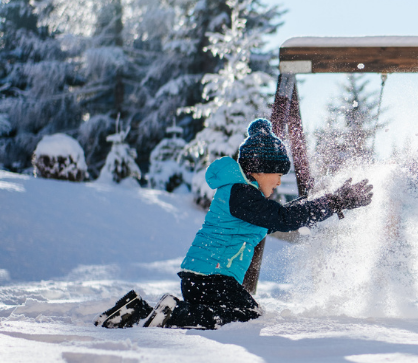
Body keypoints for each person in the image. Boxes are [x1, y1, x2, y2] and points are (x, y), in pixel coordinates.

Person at [95, 118, 373, 329]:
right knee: (247, 318)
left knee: (235, 316)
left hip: (203, 277)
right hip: (213, 279)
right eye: (276, 173)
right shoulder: (242, 195)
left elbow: (281, 215)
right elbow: (284, 218)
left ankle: (140, 309)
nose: (278, 181)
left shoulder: (243, 196)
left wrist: (332, 200)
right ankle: (173, 313)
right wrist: (335, 202)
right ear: (257, 169)